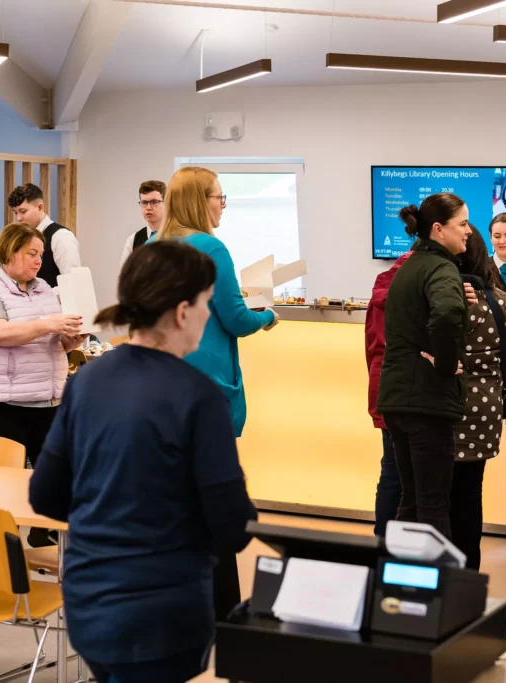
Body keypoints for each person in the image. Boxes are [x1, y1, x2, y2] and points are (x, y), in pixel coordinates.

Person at [30, 241, 256, 683]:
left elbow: (45, 494)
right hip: (164, 612)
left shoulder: (88, 378)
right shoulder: (198, 395)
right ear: (180, 311)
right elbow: (232, 524)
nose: (210, 318)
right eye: (206, 304)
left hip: (88, 599)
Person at [154, 165, 275, 619]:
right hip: (206, 385)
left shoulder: (153, 245)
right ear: (199, 201)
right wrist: (267, 315)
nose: (222, 205)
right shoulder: (210, 246)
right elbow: (236, 319)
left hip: (161, 382)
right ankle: (223, 606)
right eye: (219, 197)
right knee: (214, 502)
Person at [0, 222, 83, 547]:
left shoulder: (44, 288)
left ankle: (42, 535)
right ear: (10, 252)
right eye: (31, 253)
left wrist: (69, 339)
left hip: (48, 397)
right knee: (10, 479)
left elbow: (54, 342)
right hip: (4, 402)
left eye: (41, 255)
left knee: (52, 476)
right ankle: (2, 543)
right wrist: (48, 324)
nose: (38, 261)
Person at [375, 193, 471, 540]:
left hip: (399, 399)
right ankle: (436, 591)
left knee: (412, 500)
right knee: (433, 507)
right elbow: (445, 314)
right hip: (426, 402)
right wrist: (447, 365)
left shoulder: (409, 266)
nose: (468, 232)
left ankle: (398, 585)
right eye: (462, 224)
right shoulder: (441, 268)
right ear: (438, 229)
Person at [452, 227, 506, 569]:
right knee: (470, 494)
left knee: (433, 497)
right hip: (484, 407)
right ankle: (468, 572)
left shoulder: (443, 300)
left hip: (442, 403)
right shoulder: (503, 302)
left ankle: (436, 574)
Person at [365, 249, 412, 537]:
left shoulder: (382, 287)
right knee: (406, 475)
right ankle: (399, 544)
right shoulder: (416, 293)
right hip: (406, 389)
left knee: (391, 471)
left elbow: (371, 345)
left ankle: (382, 540)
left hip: (382, 385)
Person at [8, 183, 81, 288]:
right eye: (15, 213)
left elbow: (73, 282)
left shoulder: (61, 237)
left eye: (23, 211)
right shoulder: (22, 238)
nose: (18, 218)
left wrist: (44, 297)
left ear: (40, 207)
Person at [121, 179, 166, 268]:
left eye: (154, 202)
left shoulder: (178, 237)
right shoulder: (133, 240)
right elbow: (124, 277)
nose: (148, 207)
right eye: (144, 203)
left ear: (166, 203)